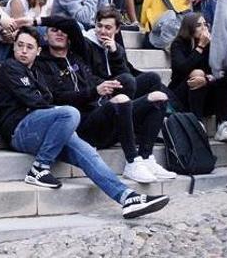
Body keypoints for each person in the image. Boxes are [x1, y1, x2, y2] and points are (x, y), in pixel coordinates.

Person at [0, 27, 170, 219]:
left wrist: (47, 102)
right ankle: (39, 167)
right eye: (20, 45)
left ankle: (127, 197)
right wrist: (49, 103)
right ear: (13, 47)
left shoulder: (36, 72)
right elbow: (35, 100)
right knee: (69, 113)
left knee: (88, 154)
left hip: (44, 129)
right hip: (19, 130)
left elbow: (47, 98)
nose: (23, 51)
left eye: (29, 47)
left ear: (38, 51)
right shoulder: (10, 67)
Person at [34, 15, 175, 184]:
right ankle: (132, 162)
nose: (59, 34)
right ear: (45, 36)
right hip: (82, 125)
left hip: (100, 115)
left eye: (63, 32)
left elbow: (97, 76)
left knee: (159, 97)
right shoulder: (41, 64)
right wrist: (95, 92)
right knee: (122, 100)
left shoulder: (76, 57)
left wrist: (106, 84)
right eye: (54, 30)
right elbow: (56, 98)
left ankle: (146, 157)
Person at [82, 6, 171, 101]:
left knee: (152, 78)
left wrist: (114, 53)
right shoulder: (86, 44)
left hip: (121, 87)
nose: (102, 31)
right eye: (99, 26)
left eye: (108, 28)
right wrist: (109, 83)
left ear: (117, 30)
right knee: (127, 81)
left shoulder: (116, 47)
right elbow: (86, 75)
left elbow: (126, 73)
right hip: (100, 89)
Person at [171, 13, 227, 142]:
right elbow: (182, 69)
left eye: (205, 24)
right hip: (182, 94)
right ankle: (197, 123)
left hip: (206, 95)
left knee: (222, 76)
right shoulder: (178, 44)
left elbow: (218, 71)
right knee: (196, 73)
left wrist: (206, 79)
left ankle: (223, 124)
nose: (204, 28)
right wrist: (200, 47)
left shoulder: (211, 45)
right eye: (199, 25)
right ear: (189, 28)